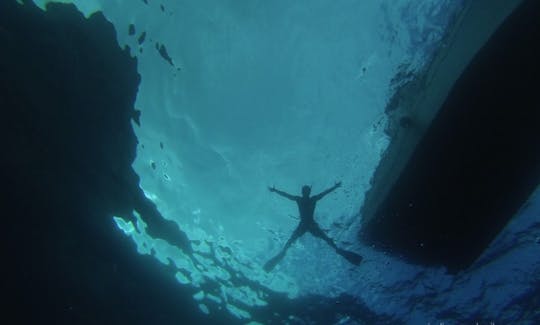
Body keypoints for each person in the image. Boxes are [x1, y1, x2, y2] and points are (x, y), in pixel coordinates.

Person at [264, 182, 363, 271]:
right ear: (306, 192)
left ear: (304, 192)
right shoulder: (309, 199)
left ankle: (283, 253)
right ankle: (338, 249)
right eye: (306, 190)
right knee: (326, 239)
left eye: (306, 190)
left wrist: (275, 190)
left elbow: (287, 195)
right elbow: (287, 195)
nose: (306, 192)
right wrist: (335, 187)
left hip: (306, 224)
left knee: (295, 241)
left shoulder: (301, 199)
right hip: (309, 224)